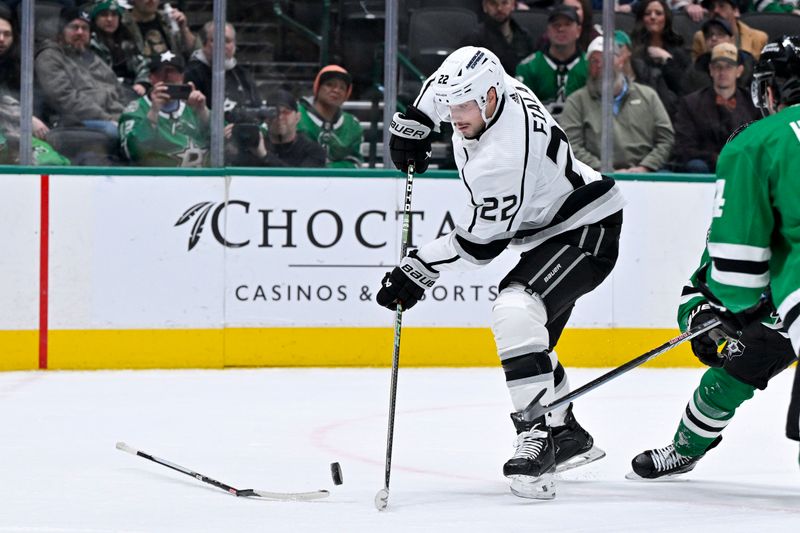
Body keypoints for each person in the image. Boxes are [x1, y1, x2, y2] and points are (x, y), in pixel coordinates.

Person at [377, 46, 625, 500]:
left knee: (515, 309)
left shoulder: (506, 157)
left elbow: (482, 244)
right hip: (549, 229)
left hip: (586, 227)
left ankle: (536, 435)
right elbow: (442, 85)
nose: (454, 117)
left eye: (464, 107)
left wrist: (419, 266)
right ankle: (566, 432)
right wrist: (417, 119)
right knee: (532, 343)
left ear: (492, 97)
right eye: (450, 107)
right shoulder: (486, 87)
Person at [628, 36, 800, 479]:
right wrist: (700, 310)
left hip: (786, 299)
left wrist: (722, 307)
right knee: (726, 380)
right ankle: (685, 449)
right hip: (781, 305)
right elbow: (717, 260)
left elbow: (733, 262)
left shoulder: (759, 145)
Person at [560, 36, 674, 172]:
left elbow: (665, 139)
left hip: (647, 175)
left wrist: (646, 167)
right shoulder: (576, 101)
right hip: (595, 178)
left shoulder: (648, 96)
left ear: (620, 61)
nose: (600, 66)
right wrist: (602, 169)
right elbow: (570, 144)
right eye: (594, 61)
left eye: (606, 59)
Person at [35, 6, 125, 139]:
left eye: (85, 28)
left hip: (111, 118)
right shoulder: (49, 56)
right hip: (70, 121)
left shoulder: (93, 57)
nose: (80, 32)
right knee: (114, 132)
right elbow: (64, 98)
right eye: (74, 27)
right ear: (61, 31)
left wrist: (126, 117)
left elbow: (118, 92)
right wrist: (108, 118)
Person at [674, 42, 760, 173]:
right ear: (710, 70)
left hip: (744, 165)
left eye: (728, 67)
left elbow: (760, 141)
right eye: (717, 67)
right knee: (695, 165)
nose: (722, 72)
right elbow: (683, 147)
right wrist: (714, 158)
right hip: (706, 166)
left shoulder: (753, 103)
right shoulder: (691, 103)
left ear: (739, 71)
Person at [118, 50, 209, 166]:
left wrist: (203, 112)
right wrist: (153, 113)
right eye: (161, 73)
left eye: (173, 73)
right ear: (151, 78)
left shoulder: (194, 106)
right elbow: (130, 152)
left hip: (204, 179)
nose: (168, 77)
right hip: (158, 180)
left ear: (182, 78)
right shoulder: (136, 110)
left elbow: (226, 142)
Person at [515, 5, 588, 117]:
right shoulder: (528, 67)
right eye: (556, 25)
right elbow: (520, 111)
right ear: (548, 31)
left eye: (567, 24)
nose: (561, 29)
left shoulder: (589, 67)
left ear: (578, 30)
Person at [225, 89, 325, 168]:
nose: (280, 117)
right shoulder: (253, 148)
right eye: (273, 112)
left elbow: (301, 181)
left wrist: (265, 156)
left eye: (286, 112)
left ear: (297, 117)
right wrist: (226, 148)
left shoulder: (314, 151)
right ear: (265, 118)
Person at [630, 0, 692, 118]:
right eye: (648, 13)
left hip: (674, 113)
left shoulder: (678, 50)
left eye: (658, 13)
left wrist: (667, 60)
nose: (653, 17)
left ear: (666, 18)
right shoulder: (633, 51)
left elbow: (684, 86)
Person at [183, 21, 261, 110]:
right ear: (204, 44)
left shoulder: (242, 74)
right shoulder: (192, 73)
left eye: (227, 41)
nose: (221, 46)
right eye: (216, 40)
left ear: (234, 45)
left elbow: (257, 109)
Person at [297, 65, 364, 168]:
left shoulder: (352, 124)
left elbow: (356, 163)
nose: (336, 90)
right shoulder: (295, 114)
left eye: (342, 87)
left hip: (339, 182)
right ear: (317, 88)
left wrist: (330, 168)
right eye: (329, 85)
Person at [89, 0, 150, 101]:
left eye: (114, 15)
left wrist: (142, 83)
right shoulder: (90, 43)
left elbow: (143, 65)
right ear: (95, 19)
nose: (109, 19)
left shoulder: (128, 40)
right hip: (102, 93)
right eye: (104, 15)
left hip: (131, 89)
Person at [460, 0, 535, 74]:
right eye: (493, 3)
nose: (499, 8)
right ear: (485, 6)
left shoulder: (524, 36)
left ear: (513, 5)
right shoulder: (474, 39)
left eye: (504, 3)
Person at [682, 17, 755, 94]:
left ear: (732, 40)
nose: (713, 38)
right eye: (708, 35)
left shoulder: (747, 61)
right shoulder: (697, 66)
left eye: (720, 34)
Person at [691, 1, 768, 60]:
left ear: (736, 11)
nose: (716, 11)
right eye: (711, 7)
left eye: (722, 6)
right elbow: (696, 73)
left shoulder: (759, 38)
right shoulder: (700, 37)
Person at [122, 0, 197, 59]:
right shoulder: (121, 23)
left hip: (173, 74)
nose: (152, 0)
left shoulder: (168, 19)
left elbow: (195, 53)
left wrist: (184, 29)